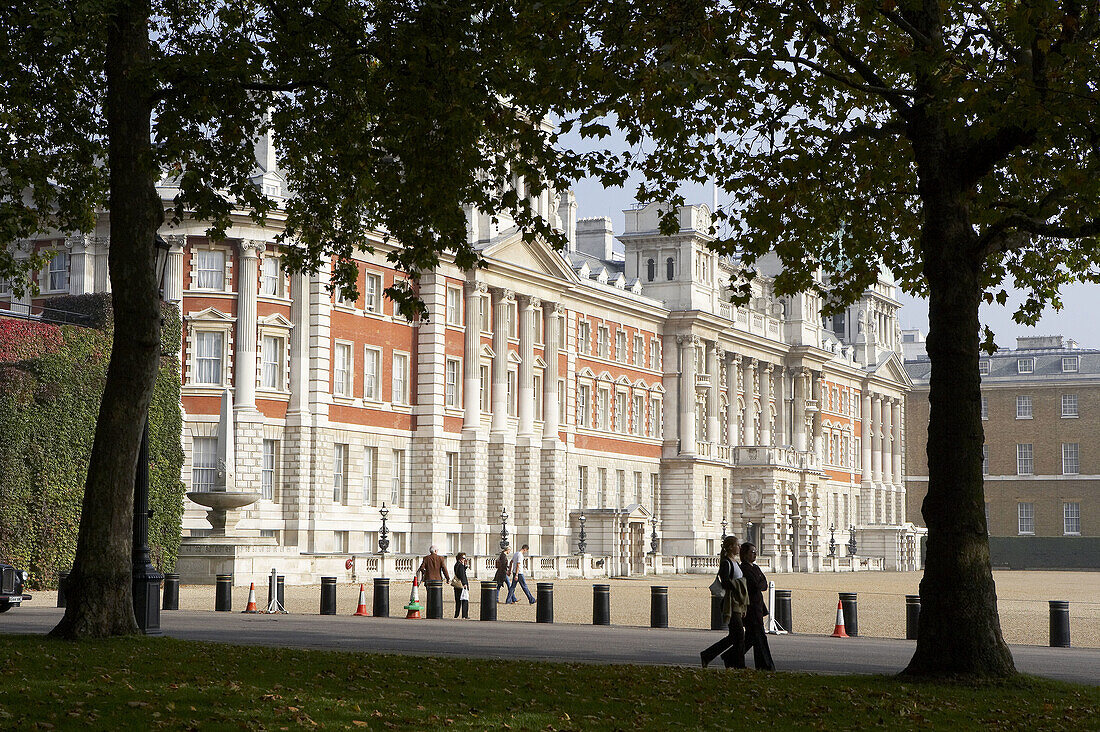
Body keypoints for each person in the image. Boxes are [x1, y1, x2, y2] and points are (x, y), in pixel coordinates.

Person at [700, 535, 749, 669]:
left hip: (737, 603)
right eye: (737, 545)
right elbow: (726, 582)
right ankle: (739, 665)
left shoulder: (735, 563)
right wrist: (739, 586)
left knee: (734, 637)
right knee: (739, 636)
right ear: (730, 547)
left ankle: (708, 655)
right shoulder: (726, 563)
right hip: (730, 603)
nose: (739, 547)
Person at [739, 542, 775, 671]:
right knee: (760, 638)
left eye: (755, 552)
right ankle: (766, 666)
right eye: (752, 552)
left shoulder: (755, 568)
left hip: (758, 607)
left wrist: (759, 582)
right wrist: (759, 582)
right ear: (745, 554)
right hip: (751, 608)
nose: (755, 554)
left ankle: (731, 657)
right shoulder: (744, 568)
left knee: (751, 639)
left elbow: (764, 584)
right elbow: (755, 585)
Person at [452, 552, 470, 619]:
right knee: (464, 600)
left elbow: (459, 572)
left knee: (458, 601)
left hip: (457, 585)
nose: (464, 559)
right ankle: (464, 615)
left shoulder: (456, 564)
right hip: (461, 585)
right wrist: (465, 584)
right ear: (461, 558)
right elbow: (462, 575)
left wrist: (464, 568)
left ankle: (456, 615)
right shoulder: (461, 566)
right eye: (463, 558)